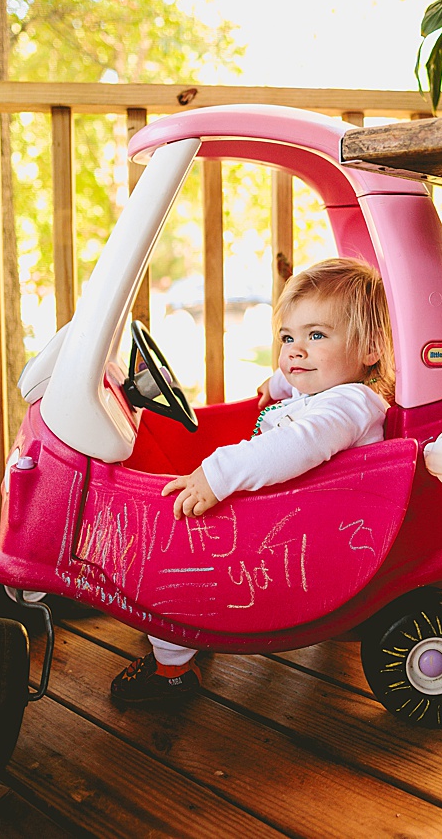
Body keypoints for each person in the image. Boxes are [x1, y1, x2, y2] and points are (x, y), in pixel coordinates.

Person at [111, 257, 394, 704]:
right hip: (292, 519)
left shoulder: (350, 405)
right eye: (288, 337)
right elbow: (300, 389)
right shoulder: (332, 390)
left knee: (177, 544)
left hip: (300, 538)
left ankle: (171, 668)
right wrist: (279, 384)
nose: (295, 350)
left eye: (316, 335)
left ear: (370, 349)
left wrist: (217, 474)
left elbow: (299, 444)